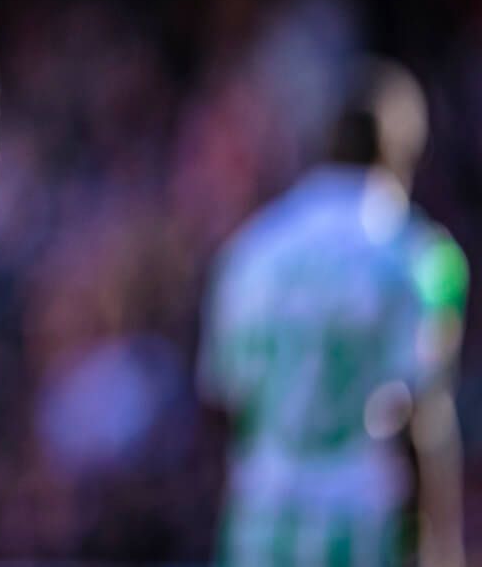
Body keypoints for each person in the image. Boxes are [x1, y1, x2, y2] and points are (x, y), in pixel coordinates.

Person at [199, 60, 467, 567]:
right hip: (359, 531)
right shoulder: (422, 258)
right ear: (404, 154)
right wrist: (441, 550)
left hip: (258, 529)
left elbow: (224, 403)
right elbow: (425, 415)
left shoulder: (250, 250)